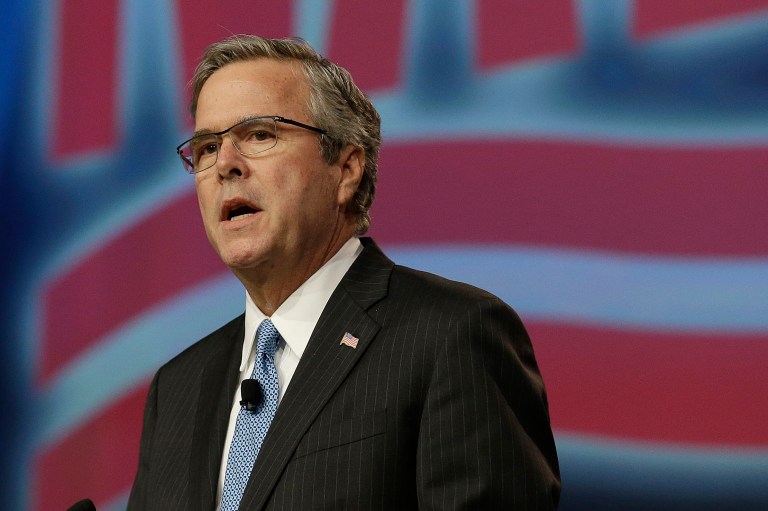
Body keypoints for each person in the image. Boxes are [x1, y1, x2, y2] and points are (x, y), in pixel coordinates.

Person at [128, 35, 560, 510]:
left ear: (346, 168)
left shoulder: (451, 336)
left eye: (259, 135)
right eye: (207, 147)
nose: (225, 165)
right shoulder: (176, 390)